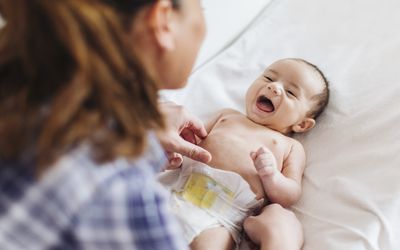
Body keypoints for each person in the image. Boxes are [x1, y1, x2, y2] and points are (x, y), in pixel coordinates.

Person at [0, 0, 209, 249]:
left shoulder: (20, 84)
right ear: (163, 19)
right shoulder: (121, 189)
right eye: (201, 8)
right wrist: (270, 237)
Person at [159, 58, 330, 250]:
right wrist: (175, 159)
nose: (274, 87)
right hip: (179, 190)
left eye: (290, 92)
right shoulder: (227, 116)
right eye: (268, 78)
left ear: (302, 124)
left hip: (221, 216)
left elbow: (290, 194)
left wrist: (271, 176)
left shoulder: (290, 146)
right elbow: (191, 144)